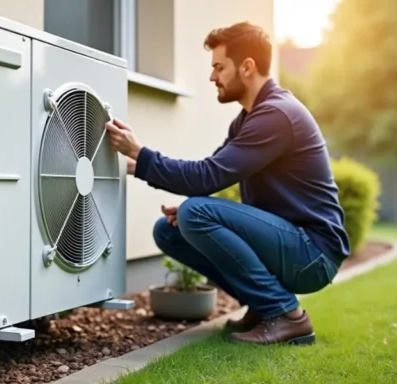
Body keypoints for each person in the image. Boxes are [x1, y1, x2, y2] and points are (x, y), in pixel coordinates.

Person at [105, 21, 350, 346]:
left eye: (219, 67)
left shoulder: (277, 115)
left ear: (247, 67)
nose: (212, 77)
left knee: (194, 212)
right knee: (169, 231)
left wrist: (139, 150)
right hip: (290, 243)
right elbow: (210, 175)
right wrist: (133, 165)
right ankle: (263, 307)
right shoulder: (248, 119)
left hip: (312, 254)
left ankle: (286, 315)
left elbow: (207, 176)